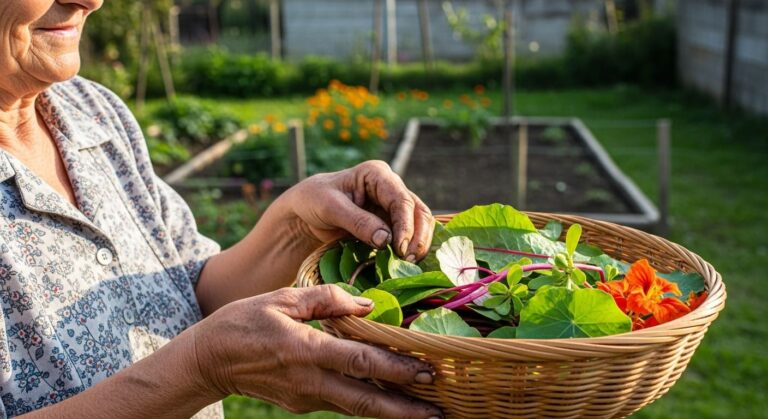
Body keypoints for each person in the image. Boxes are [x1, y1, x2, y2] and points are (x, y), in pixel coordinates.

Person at [0, 1, 442, 418]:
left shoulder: (92, 110)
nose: (90, 1)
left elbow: (188, 293)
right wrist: (200, 369)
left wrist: (297, 225)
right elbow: (200, 355)